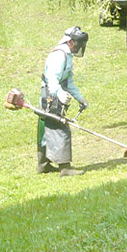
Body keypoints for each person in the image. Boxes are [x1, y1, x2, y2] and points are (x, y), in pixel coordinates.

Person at [37, 27, 90, 177]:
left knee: (46, 129)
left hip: (54, 93)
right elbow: (52, 79)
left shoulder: (67, 56)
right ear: (70, 41)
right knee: (60, 127)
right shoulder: (59, 56)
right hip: (51, 94)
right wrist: (59, 93)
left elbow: (69, 81)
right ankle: (65, 168)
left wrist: (80, 98)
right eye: (78, 44)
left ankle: (43, 165)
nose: (80, 48)